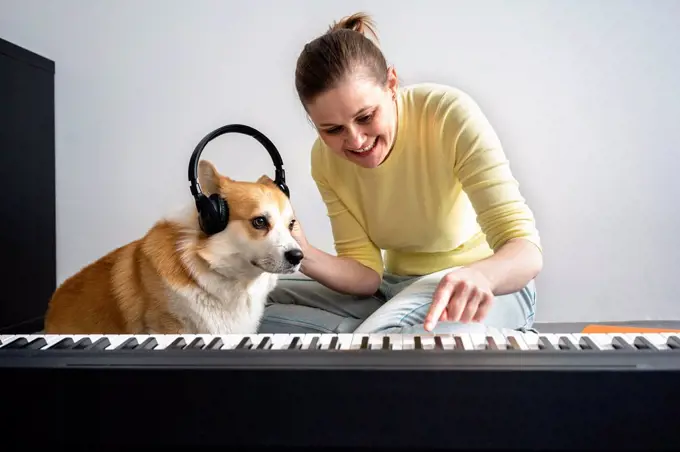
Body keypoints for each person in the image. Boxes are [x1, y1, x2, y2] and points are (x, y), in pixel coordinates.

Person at [258, 12, 543, 336]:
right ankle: (378, 338)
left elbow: (526, 252)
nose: (355, 140)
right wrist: (300, 251)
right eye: (333, 129)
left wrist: (483, 275)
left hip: (485, 287)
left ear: (392, 84)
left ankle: (377, 338)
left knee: (383, 338)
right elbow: (366, 276)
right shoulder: (324, 160)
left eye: (366, 117)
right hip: (395, 290)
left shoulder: (449, 114)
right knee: (253, 303)